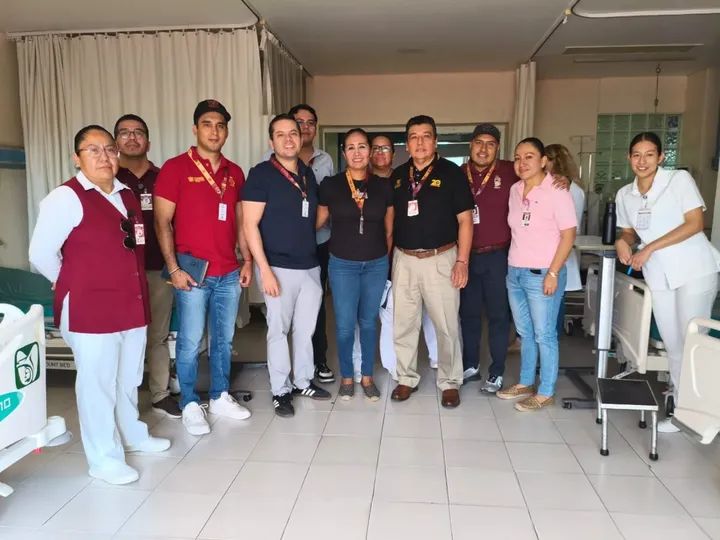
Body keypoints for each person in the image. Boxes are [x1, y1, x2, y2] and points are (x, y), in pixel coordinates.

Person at [29, 125, 170, 485]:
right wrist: (72, 282)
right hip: (90, 308)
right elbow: (41, 253)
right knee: (97, 383)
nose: (104, 156)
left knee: (128, 377)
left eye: (109, 149)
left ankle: (133, 435)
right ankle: (103, 458)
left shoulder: (126, 194)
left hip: (130, 303)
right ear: (77, 158)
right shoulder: (66, 198)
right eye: (93, 150)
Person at [154, 99, 253, 436]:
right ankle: (190, 403)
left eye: (220, 125)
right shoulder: (175, 168)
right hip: (193, 273)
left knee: (224, 339)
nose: (214, 131)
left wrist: (247, 260)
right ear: (195, 129)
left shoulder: (234, 172)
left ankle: (220, 395)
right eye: (208, 124)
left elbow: (240, 221)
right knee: (190, 340)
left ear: (227, 132)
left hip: (228, 272)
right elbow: (162, 222)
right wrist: (174, 269)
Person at [615, 131, 720, 432]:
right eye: (637, 155)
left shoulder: (678, 181)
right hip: (659, 272)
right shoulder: (625, 194)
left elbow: (695, 223)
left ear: (661, 157)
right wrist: (623, 242)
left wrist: (649, 248)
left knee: (693, 339)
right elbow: (629, 231)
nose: (642, 161)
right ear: (629, 158)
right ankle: (681, 409)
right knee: (673, 343)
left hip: (693, 269)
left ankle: (703, 410)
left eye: (649, 154)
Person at [243, 114, 331, 418]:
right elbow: (249, 225)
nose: (288, 139)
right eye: (280, 134)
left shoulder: (307, 174)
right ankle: (281, 390)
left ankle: (303, 381)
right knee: (278, 331)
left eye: (293, 133)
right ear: (272, 141)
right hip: (277, 267)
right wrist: (264, 270)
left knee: (305, 330)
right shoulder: (261, 174)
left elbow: (314, 216)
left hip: (309, 265)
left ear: (301, 136)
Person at [390, 115, 474, 408]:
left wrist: (462, 261)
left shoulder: (452, 173)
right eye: (414, 137)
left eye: (426, 136)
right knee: (403, 323)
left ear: (436, 141)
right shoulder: (398, 176)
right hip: (404, 259)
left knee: (447, 325)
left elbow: (465, 221)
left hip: (441, 259)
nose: (420, 142)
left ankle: (450, 381)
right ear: (407, 144)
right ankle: (406, 377)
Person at [497, 137, 577, 411]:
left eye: (529, 157)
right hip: (515, 271)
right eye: (518, 157)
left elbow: (568, 235)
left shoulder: (557, 190)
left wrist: (553, 273)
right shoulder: (515, 190)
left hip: (543, 273)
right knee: (525, 332)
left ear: (543, 161)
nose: (522, 163)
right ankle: (525, 382)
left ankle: (546, 391)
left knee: (544, 334)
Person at [317, 129, 393, 400]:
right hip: (342, 265)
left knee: (369, 322)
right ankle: (347, 376)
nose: (357, 152)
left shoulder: (383, 186)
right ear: (344, 153)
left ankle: (367, 376)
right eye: (351, 147)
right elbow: (317, 223)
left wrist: (382, 258)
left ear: (370, 151)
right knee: (345, 325)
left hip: (375, 264)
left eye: (362, 147)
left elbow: (389, 231)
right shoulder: (331, 185)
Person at [264, 104, 336, 384]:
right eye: (299, 123)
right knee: (281, 315)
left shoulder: (324, 160)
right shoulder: (267, 165)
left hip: (318, 243)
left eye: (310, 123)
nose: (305, 128)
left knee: (315, 307)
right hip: (282, 250)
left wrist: (306, 231)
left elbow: (325, 203)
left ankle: (317, 361)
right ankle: (282, 377)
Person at [114, 114, 180, 419]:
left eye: (138, 132)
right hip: (118, 274)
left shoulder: (163, 177)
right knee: (120, 337)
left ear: (148, 142)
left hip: (157, 267)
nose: (131, 137)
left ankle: (160, 394)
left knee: (158, 335)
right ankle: (120, 398)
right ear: (116, 142)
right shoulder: (108, 178)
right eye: (124, 132)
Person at [370, 134, 438, 379]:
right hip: (376, 256)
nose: (380, 153)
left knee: (429, 309)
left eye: (385, 148)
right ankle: (394, 365)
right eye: (375, 148)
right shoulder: (361, 181)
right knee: (389, 312)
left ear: (394, 152)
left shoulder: (403, 178)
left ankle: (438, 359)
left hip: (408, 252)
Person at [459, 124, 516, 393]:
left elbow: (541, 173)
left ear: (498, 147)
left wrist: (560, 178)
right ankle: (470, 364)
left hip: (498, 256)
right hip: (466, 256)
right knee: (468, 314)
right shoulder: (458, 174)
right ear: (471, 145)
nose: (483, 149)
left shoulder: (511, 171)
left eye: (490, 144)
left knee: (498, 315)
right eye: (479, 143)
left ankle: (497, 371)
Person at [545, 144, 585, 335]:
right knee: (552, 299)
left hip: (559, 250)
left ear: (554, 161)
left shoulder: (565, 188)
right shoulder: (569, 187)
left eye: (545, 160)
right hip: (554, 251)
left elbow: (567, 226)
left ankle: (552, 339)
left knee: (554, 300)